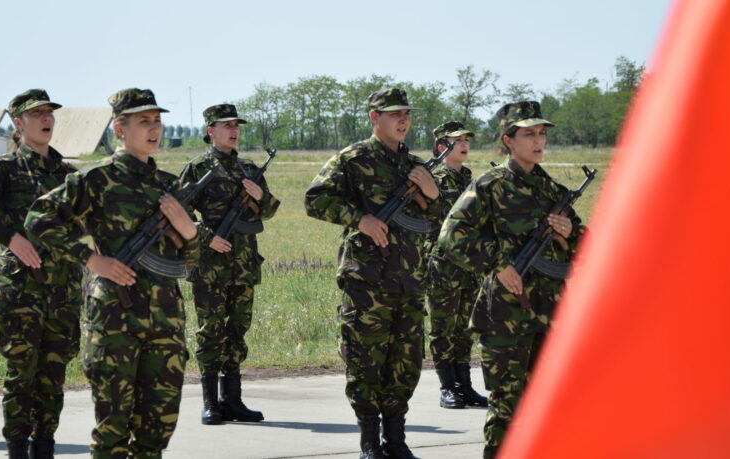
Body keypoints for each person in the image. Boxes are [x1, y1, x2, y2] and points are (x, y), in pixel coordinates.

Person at [24, 88, 199, 458]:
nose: (154, 129)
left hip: (165, 321)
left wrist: (189, 230)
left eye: (157, 121)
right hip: (116, 321)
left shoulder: (169, 184)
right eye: (143, 122)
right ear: (119, 129)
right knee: (113, 427)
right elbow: (39, 219)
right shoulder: (96, 179)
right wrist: (91, 259)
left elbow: (193, 261)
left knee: (159, 426)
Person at [437, 101, 585, 459]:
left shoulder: (551, 190)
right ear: (508, 140)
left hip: (549, 314)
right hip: (505, 317)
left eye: (542, 133)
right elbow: (451, 237)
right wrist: (498, 264)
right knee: (507, 410)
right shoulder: (489, 186)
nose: (538, 141)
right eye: (529, 134)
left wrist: (571, 233)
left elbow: (587, 247)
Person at [304, 87, 442, 459]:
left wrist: (432, 195)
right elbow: (315, 198)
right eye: (394, 113)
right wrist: (359, 219)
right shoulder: (354, 158)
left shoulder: (416, 166)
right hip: (367, 280)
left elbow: (438, 224)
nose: (403, 120)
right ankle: (369, 441)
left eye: (407, 114)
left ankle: (396, 440)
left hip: (410, 281)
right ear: (374, 117)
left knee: (406, 362)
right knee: (366, 362)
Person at [0, 89, 79, 459]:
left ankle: (45, 445)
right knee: (21, 374)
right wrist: (9, 237)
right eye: (36, 114)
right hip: (20, 289)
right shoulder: (3, 170)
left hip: (63, 290)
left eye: (49, 113)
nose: (46, 119)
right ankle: (18, 448)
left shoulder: (68, 174)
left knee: (54, 375)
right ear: (18, 123)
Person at [179, 104, 280, 425]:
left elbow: (269, 211)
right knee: (211, 332)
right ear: (211, 131)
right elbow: (178, 211)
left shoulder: (249, 168)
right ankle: (210, 402)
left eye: (236, 125)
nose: (234, 131)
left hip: (244, 264)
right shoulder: (198, 168)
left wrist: (259, 196)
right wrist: (205, 236)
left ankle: (232, 400)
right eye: (226, 125)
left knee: (237, 331)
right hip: (210, 264)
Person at [423, 121, 488, 410]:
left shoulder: (468, 178)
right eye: (457, 140)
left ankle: (465, 386)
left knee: (465, 327)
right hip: (443, 263)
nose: (464, 144)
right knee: (443, 327)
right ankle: (447, 387)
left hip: (469, 264)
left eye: (466, 140)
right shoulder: (432, 179)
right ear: (441, 147)